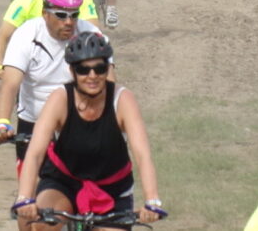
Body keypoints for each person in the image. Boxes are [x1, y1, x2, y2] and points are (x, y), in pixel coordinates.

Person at [12, 32, 165, 229]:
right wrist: (25, 198)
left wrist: (152, 201)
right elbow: (34, 154)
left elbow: (143, 155)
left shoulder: (122, 99)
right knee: (40, 225)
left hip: (112, 188)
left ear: (107, 69)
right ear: (72, 71)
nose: (92, 76)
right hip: (63, 182)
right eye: (83, 70)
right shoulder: (60, 99)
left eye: (99, 68)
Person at [0, 0, 104, 165]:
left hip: (79, 123)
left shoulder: (91, 35)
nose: (69, 22)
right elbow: (10, 86)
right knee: (31, 188)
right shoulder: (26, 35)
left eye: (74, 15)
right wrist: (2, 121)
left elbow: (110, 84)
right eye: (61, 15)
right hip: (34, 123)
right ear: (44, 13)